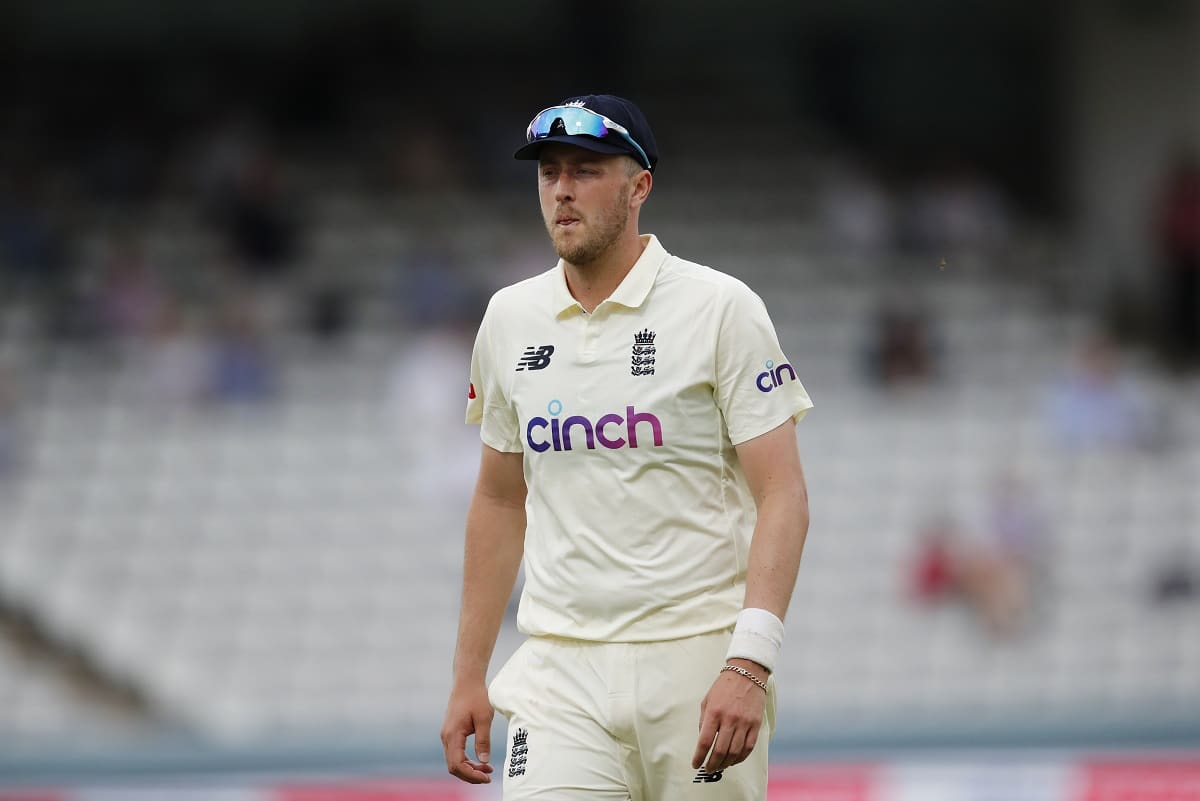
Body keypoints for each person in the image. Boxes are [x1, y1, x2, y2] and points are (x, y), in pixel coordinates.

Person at [440, 94, 813, 801]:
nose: (562, 190)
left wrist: (749, 661)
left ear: (640, 186)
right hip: (559, 671)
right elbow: (498, 499)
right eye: (549, 172)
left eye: (585, 170)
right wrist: (468, 674)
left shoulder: (720, 308)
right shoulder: (509, 318)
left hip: (699, 662)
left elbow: (783, 494)